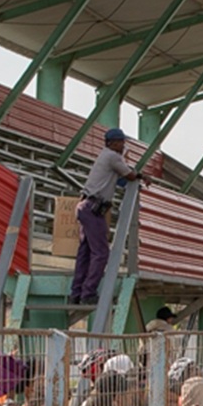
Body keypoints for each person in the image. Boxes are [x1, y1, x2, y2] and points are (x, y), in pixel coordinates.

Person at [69, 128, 145, 306]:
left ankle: (76, 293)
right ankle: (88, 292)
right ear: (112, 143)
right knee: (101, 252)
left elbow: (119, 179)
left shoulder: (106, 156)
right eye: (120, 142)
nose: (123, 145)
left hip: (86, 206)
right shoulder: (112, 156)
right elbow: (130, 175)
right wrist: (142, 175)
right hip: (93, 208)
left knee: (85, 252)